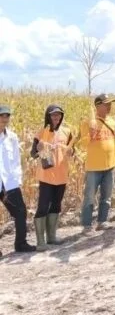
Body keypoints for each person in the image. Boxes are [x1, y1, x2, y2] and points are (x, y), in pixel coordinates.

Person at [30, 104, 74, 249]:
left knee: (56, 205)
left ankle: (51, 237)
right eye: (53, 114)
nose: (56, 117)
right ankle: (40, 242)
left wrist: (70, 151)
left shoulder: (67, 132)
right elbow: (33, 154)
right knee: (43, 207)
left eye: (59, 114)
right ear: (48, 116)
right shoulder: (41, 132)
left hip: (61, 175)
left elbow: (71, 151)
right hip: (46, 176)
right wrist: (39, 149)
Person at [79, 94, 115, 233]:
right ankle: (86, 225)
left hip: (109, 166)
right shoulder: (87, 123)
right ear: (97, 106)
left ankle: (102, 221)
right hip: (93, 167)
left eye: (110, 104)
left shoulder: (112, 122)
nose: (109, 106)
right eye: (106, 104)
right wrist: (90, 135)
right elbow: (81, 145)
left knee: (107, 196)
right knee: (90, 197)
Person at [0, 104, 36, 254]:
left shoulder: (12, 137)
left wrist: (17, 179)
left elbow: (16, 160)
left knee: (20, 212)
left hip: (9, 182)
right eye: (2, 115)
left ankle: (21, 244)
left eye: (7, 116)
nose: (5, 118)